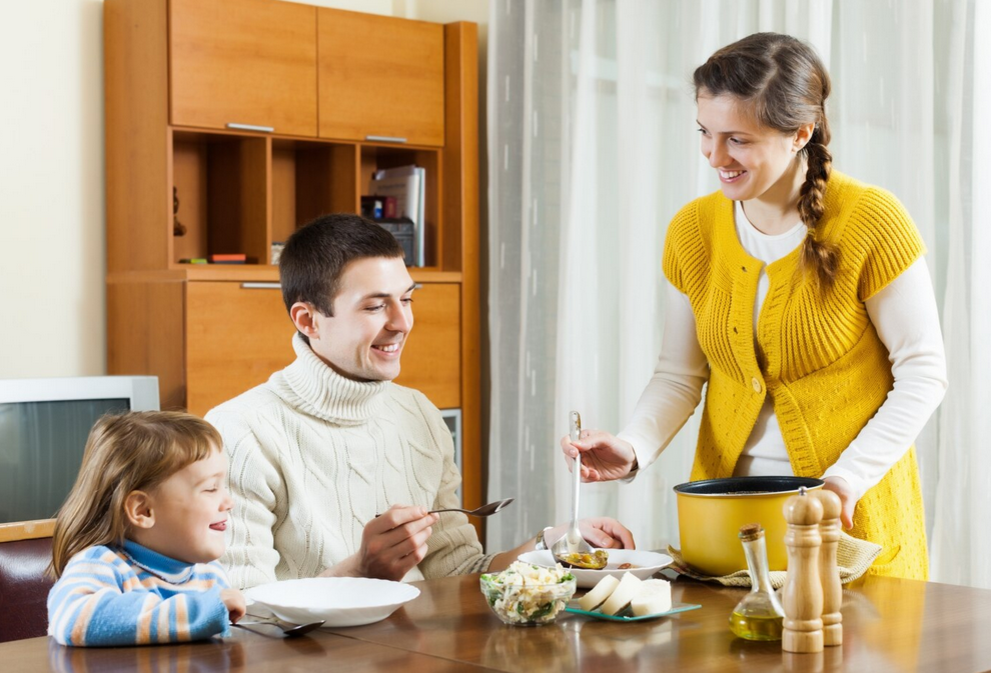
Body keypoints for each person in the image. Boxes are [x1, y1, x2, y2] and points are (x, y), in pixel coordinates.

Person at [561, 33, 946, 581]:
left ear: (800, 134)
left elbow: (924, 373)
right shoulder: (694, 231)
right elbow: (679, 373)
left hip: (846, 527)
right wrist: (631, 446)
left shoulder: (870, 220)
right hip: (724, 530)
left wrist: (844, 481)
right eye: (705, 133)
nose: (714, 157)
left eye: (737, 139)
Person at [207, 213, 633, 590]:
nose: (403, 322)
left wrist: (551, 543)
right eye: (376, 306)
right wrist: (358, 573)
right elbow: (242, 615)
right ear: (308, 320)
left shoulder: (419, 415)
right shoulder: (240, 432)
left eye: (407, 299)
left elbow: (460, 572)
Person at [47, 411, 245, 647]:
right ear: (143, 511)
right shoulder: (102, 565)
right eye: (211, 488)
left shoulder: (210, 573)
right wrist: (200, 611)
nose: (228, 502)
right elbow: (74, 619)